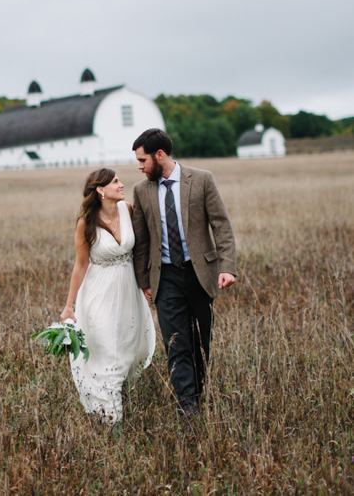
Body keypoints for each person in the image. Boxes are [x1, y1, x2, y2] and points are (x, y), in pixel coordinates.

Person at [131, 128, 237, 417]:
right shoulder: (141, 190)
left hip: (200, 273)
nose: (139, 167)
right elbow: (141, 241)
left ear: (160, 155)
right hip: (165, 278)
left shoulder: (202, 179)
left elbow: (221, 225)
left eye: (142, 160)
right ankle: (187, 406)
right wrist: (144, 281)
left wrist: (227, 267)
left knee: (201, 341)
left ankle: (200, 393)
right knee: (176, 343)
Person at [61, 168, 155, 427]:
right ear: (100, 189)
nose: (121, 184)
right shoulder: (85, 223)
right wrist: (69, 305)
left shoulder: (128, 209)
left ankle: (114, 405)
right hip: (99, 293)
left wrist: (147, 284)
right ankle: (113, 421)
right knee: (106, 353)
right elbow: (80, 265)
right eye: (115, 182)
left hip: (128, 291)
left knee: (127, 349)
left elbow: (143, 249)